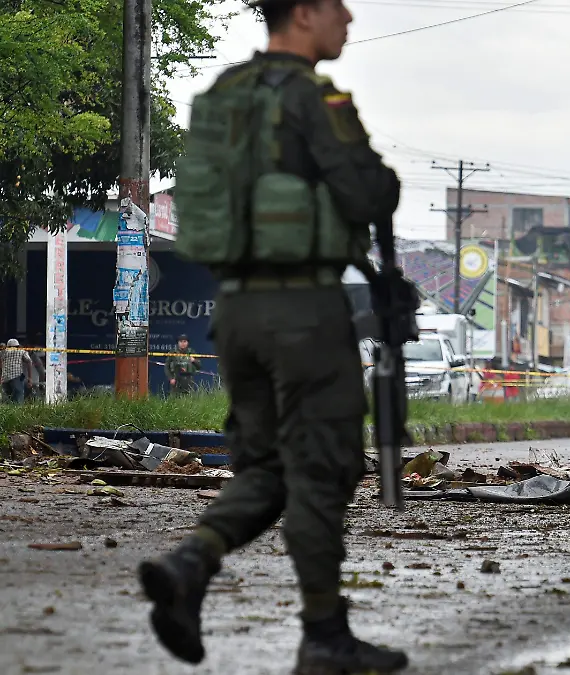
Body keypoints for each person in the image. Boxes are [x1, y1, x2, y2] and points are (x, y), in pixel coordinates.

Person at [136, 1, 410, 672]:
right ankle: (323, 635)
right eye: (338, 6)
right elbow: (369, 193)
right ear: (305, 12)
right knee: (321, 467)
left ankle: (191, 563)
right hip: (304, 310)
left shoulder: (222, 94)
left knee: (266, 468)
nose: (349, 18)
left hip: (235, 310)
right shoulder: (317, 97)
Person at [1, 339, 32, 404]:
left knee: (8, 400)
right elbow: (29, 361)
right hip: (17, 377)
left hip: (5, 379)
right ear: (18, 346)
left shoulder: (2, 352)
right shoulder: (21, 351)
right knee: (18, 399)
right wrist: (30, 378)